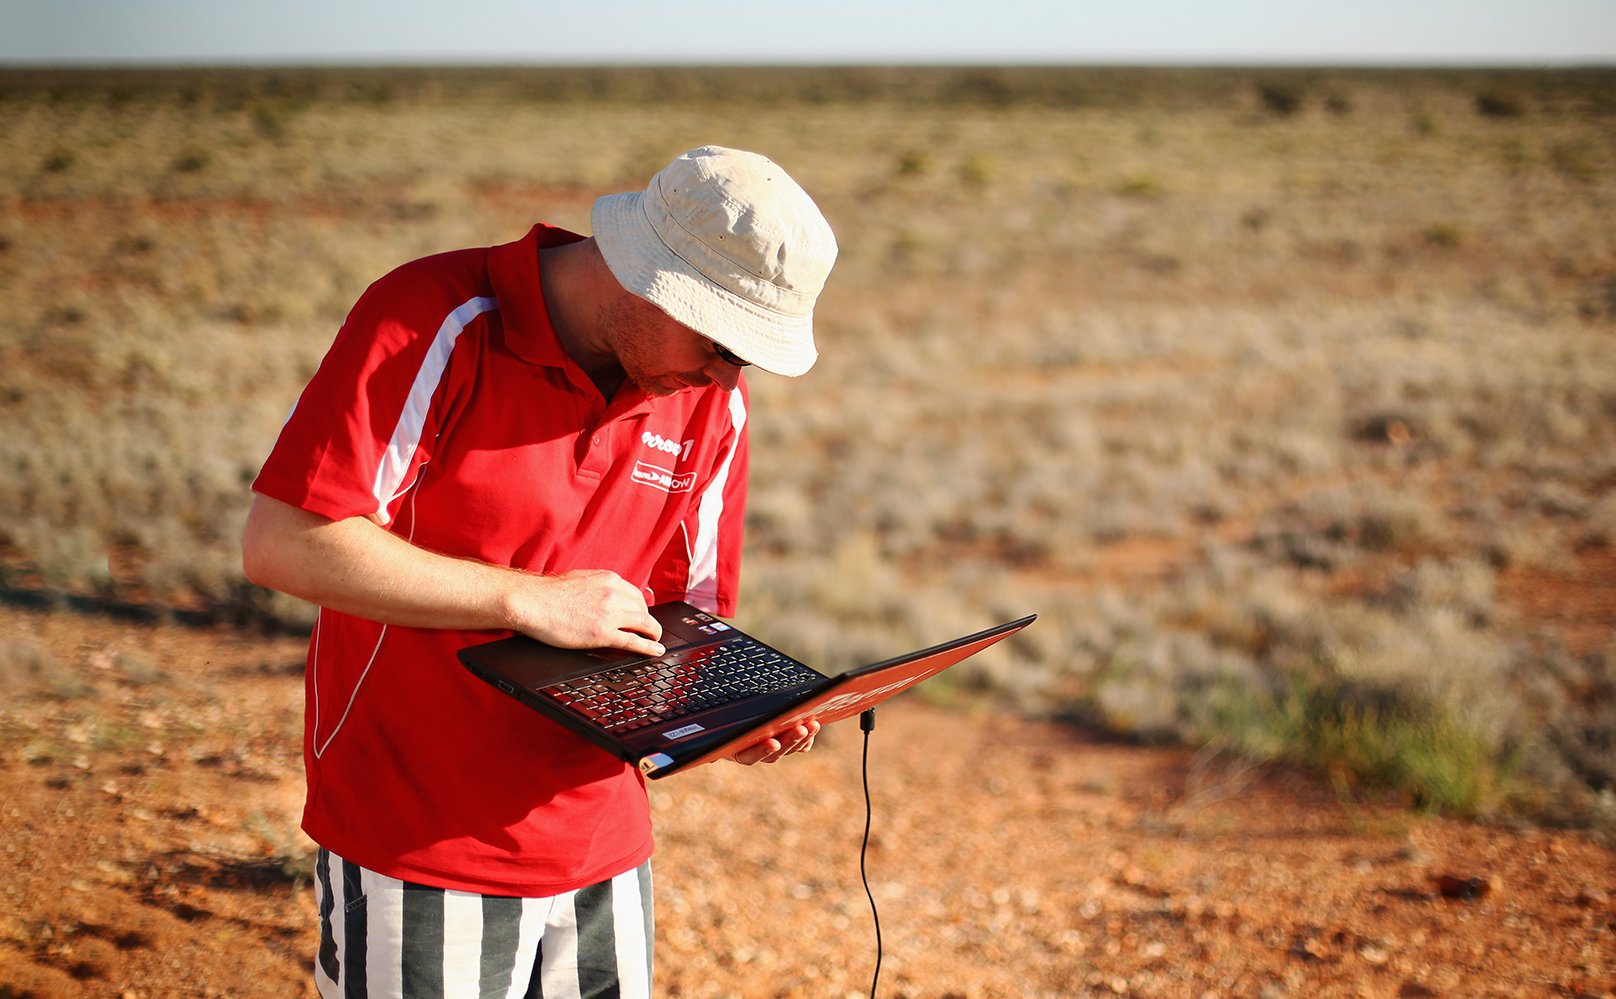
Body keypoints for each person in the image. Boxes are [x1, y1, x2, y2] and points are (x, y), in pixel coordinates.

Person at [240, 145, 838, 999]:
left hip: (603, 842)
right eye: (721, 341)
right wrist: (525, 597)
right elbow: (284, 540)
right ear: (649, 276)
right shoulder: (436, 319)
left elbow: (680, 618)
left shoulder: (712, 399)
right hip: (421, 831)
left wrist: (728, 717)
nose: (724, 373)